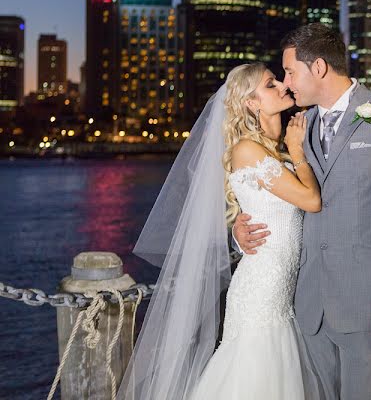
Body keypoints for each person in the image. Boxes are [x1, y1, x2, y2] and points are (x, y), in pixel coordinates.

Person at [234, 23, 371, 400]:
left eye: (291, 72)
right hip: (306, 303)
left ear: (320, 68)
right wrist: (239, 229)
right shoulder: (297, 126)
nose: (286, 81)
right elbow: (274, 196)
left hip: (369, 302)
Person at [118, 62, 320, 399]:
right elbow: (311, 200)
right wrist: (298, 153)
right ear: (251, 103)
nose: (283, 86)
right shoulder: (247, 150)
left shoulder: (278, 149)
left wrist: (238, 234)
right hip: (261, 289)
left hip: (283, 288)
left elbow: (262, 214)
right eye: (271, 84)